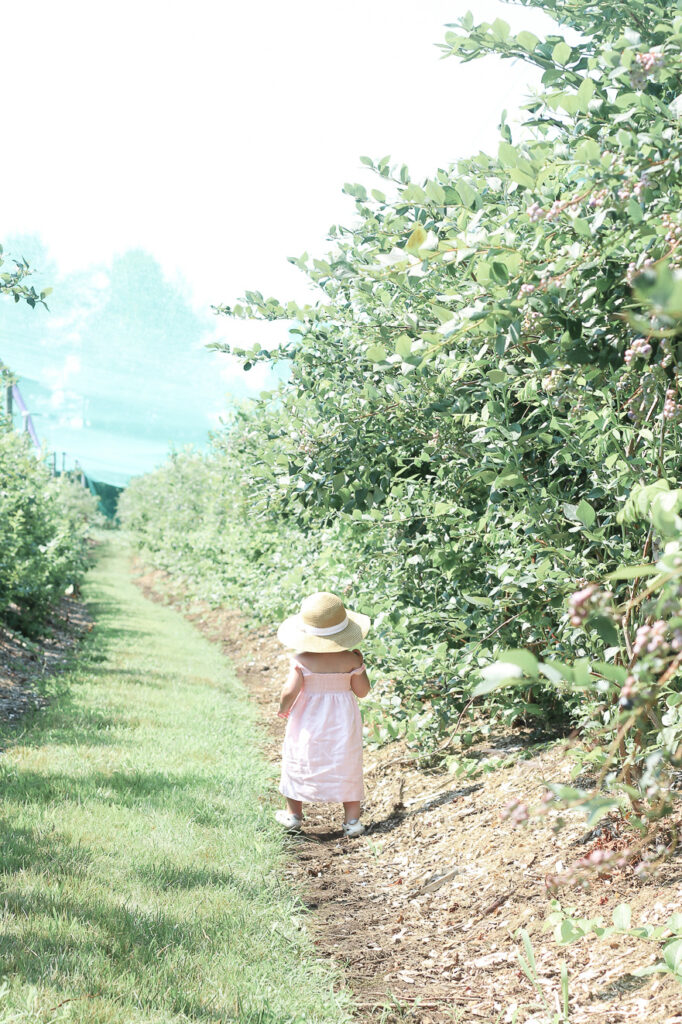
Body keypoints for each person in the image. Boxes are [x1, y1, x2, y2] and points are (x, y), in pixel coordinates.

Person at [275, 591, 371, 837]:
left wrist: (283, 708)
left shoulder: (301, 660)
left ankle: (293, 815)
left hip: (308, 719)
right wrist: (360, 667)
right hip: (343, 720)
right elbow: (362, 692)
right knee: (346, 760)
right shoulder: (350, 659)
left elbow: (289, 691)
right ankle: (352, 821)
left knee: (300, 758)